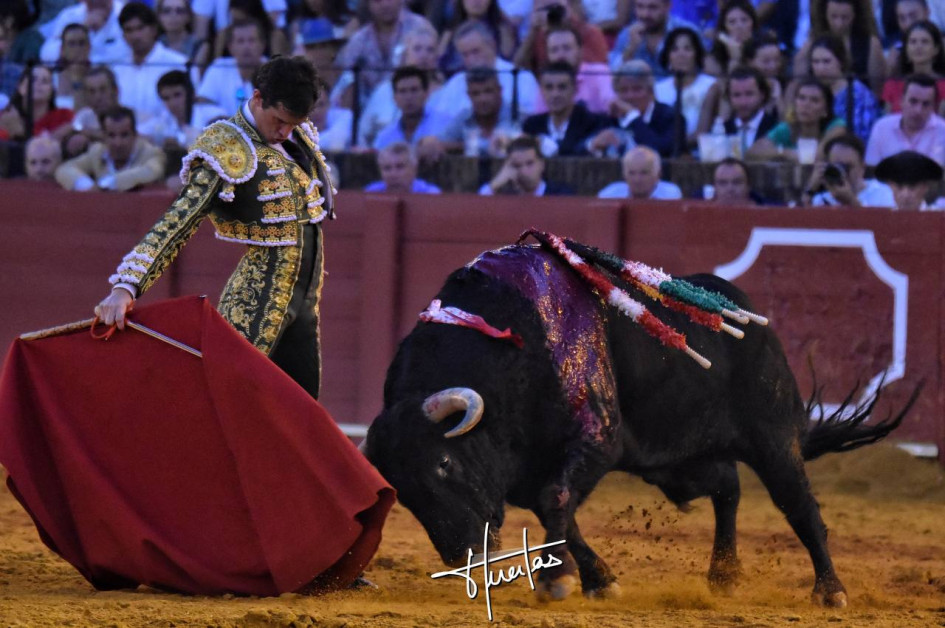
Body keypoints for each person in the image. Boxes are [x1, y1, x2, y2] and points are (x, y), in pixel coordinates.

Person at [94, 56, 334, 400]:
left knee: (303, 408)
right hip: (257, 300)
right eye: (280, 120)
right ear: (257, 98)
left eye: (294, 123)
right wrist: (126, 286)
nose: (285, 132)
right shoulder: (225, 146)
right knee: (223, 399)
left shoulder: (297, 136)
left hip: (307, 302)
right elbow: (180, 219)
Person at [332, 0, 434, 109]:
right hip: (370, 110)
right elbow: (343, 77)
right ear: (369, 4)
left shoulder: (419, 26)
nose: (385, 5)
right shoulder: (359, 40)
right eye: (378, 1)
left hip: (415, 103)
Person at [435, 20, 541, 120]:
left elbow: (532, 118)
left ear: (492, 45)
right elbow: (440, 121)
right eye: (465, 55)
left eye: (475, 51)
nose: (471, 60)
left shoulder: (521, 78)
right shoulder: (455, 84)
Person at [54, 105, 166, 191]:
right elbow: (65, 169)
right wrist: (87, 186)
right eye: (111, 135)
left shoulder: (151, 153)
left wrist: (108, 184)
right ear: (103, 136)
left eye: (124, 135)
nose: (118, 143)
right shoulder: (97, 152)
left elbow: (151, 171)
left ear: (135, 135)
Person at [114, 2, 190, 125]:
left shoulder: (179, 64)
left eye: (140, 28)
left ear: (154, 30)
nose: (135, 36)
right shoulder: (116, 68)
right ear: (123, 35)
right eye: (129, 30)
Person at [587, 60, 676, 157]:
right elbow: (578, 147)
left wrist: (632, 116)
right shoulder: (610, 118)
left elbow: (660, 152)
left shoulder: (671, 117)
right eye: (624, 90)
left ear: (650, 92)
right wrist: (593, 143)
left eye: (637, 89)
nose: (630, 96)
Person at [793, 0, 885, 93]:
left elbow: (877, 90)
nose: (839, 24)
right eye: (833, 16)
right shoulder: (811, 44)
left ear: (855, 14)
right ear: (824, 14)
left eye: (845, 17)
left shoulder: (871, 44)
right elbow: (797, 84)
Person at [522, 61, 612, 156]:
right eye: (549, 88)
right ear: (541, 91)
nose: (555, 94)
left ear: (575, 89)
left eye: (562, 87)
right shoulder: (531, 126)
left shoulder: (594, 123)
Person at [747, 78, 847, 162]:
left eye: (814, 100)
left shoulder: (836, 127)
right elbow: (753, 152)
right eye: (801, 98)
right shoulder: (787, 128)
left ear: (825, 110)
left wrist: (780, 153)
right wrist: (783, 152)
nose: (806, 105)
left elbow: (816, 158)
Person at [805, 34, 880, 141]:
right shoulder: (814, 92)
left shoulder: (859, 95)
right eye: (815, 62)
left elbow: (861, 136)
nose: (820, 68)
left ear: (840, 62)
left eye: (826, 61)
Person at [371, 65, 456, 158]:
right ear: (394, 98)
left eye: (414, 90)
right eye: (402, 91)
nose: (409, 97)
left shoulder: (445, 124)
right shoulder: (385, 137)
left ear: (426, 93)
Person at [865, 73, 945, 165]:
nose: (918, 110)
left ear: (933, 107)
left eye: (926, 104)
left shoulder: (943, 131)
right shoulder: (881, 128)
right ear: (901, 101)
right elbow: (872, 168)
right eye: (913, 101)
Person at [653, 26, 716, 142]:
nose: (681, 54)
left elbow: (703, 133)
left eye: (687, 49)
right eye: (674, 49)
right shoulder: (658, 89)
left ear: (697, 54)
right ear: (668, 56)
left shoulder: (711, 85)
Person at [442, 66, 521, 158]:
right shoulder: (464, 117)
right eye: (476, 94)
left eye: (488, 91)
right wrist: (465, 146)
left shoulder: (520, 117)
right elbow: (440, 143)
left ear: (500, 91)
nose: (482, 99)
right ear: (469, 95)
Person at [139, 70, 227, 150]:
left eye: (177, 95)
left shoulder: (214, 115)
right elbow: (138, 135)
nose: (173, 103)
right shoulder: (164, 118)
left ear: (191, 94)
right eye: (166, 98)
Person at [803, 133, 896, 207]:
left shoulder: (884, 194)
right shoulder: (822, 200)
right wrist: (811, 190)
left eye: (847, 167)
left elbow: (880, 223)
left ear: (862, 168)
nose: (842, 172)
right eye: (836, 166)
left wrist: (851, 201)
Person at [514, 0, 610, 72]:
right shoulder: (538, 36)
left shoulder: (590, 33)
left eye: (556, 7)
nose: (552, 12)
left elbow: (595, 72)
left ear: (569, 6)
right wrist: (532, 31)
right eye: (546, 9)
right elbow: (518, 67)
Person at [197, 19, 267, 116]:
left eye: (251, 40)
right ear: (230, 47)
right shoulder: (219, 67)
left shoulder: (273, 70)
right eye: (240, 41)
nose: (246, 47)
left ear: (262, 45)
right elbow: (203, 102)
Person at [608, 0, 700, 73]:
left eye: (652, 7)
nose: (645, 14)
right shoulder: (626, 35)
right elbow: (614, 74)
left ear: (668, 6)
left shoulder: (688, 32)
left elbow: (703, 70)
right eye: (640, 6)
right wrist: (631, 48)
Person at [542, 24, 614, 114]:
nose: (560, 55)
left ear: (580, 51)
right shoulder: (546, 79)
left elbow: (610, 108)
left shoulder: (599, 72)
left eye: (566, 48)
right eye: (554, 50)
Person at [437, 0, 518, 75]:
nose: (476, 1)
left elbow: (507, 60)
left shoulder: (503, 29)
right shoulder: (450, 32)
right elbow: (439, 62)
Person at [39, 0, 131, 65]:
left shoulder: (126, 14)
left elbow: (127, 53)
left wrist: (78, 55)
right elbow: (47, 54)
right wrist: (83, 29)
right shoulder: (69, 15)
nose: (97, 1)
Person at [479, 134, 574, 195]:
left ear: (542, 164)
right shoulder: (505, 196)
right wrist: (494, 185)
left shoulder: (562, 194)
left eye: (530, 163)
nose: (524, 171)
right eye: (517, 165)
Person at [882, 20, 945, 112]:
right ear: (906, 49)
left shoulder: (943, 85)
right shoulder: (892, 84)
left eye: (925, 42)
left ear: (936, 49)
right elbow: (887, 119)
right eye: (913, 42)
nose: (918, 46)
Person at [0, 64, 74, 142]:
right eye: (33, 80)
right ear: (20, 87)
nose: (39, 84)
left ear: (52, 91)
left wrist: (21, 132)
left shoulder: (64, 116)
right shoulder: (7, 118)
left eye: (45, 81)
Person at [722, 66, 780, 156]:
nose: (743, 102)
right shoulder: (722, 131)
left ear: (762, 95)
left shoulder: (775, 128)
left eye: (749, 94)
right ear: (729, 97)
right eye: (737, 95)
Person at [597, 145, 683, 199]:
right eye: (631, 173)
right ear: (624, 175)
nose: (637, 179)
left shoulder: (670, 195)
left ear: (658, 175)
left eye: (644, 173)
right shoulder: (609, 195)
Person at [874, 149, 945, 209]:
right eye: (899, 187)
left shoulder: (940, 218)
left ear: (925, 187)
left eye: (912, 187)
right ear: (891, 186)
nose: (905, 195)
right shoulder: (881, 219)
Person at [704, 0, 758, 76]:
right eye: (732, 22)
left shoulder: (763, 49)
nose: (739, 26)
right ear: (724, 28)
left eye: (744, 20)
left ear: (753, 23)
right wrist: (735, 59)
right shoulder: (713, 59)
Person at [364, 141, 441, 193]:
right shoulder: (371, 193)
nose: (393, 174)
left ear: (414, 169)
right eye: (387, 168)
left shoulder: (430, 194)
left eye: (400, 167)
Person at [70, 65, 119, 140]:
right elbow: (75, 128)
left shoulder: (133, 118)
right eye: (92, 92)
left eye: (103, 90)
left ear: (115, 91)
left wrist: (92, 134)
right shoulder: (84, 115)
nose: (98, 97)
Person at [54, 23, 92, 111]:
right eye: (71, 44)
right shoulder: (51, 79)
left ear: (89, 47)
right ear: (62, 49)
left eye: (82, 43)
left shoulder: (101, 76)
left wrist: (77, 79)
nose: (77, 49)